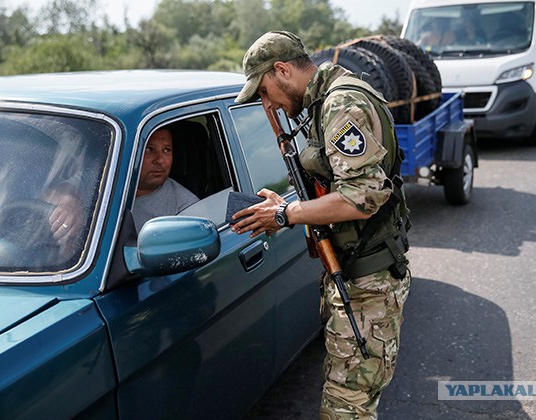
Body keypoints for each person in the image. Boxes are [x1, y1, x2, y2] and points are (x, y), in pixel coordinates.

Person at [231, 31, 412, 419]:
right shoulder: (323, 103)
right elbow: (336, 187)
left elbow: (362, 196)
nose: (268, 104)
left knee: (346, 408)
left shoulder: (340, 103)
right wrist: (290, 206)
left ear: (282, 70)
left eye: (265, 92)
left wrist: (287, 214)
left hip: (368, 281)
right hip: (357, 273)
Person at [132, 127, 199, 232]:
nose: (160, 160)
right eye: (149, 149)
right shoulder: (105, 187)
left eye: (167, 150)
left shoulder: (185, 210)